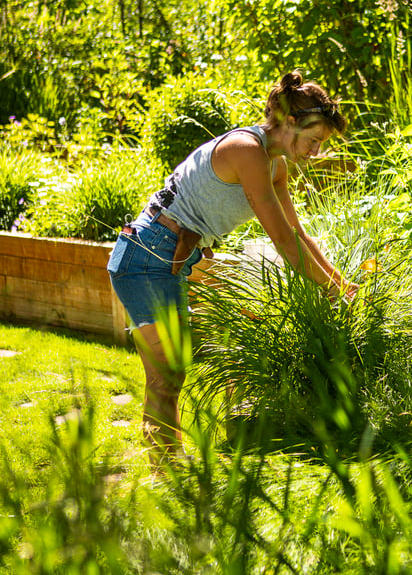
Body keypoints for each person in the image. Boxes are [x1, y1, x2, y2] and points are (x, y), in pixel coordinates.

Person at [107, 70, 357, 460]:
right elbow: (282, 242)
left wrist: (341, 283)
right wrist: (330, 290)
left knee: (170, 372)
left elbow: (299, 234)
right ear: (290, 122)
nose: (316, 152)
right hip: (145, 255)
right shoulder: (246, 151)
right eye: (313, 141)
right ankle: (166, 472)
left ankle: (168, 470)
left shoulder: (276, 166)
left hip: (166, 258)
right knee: (167, 374)